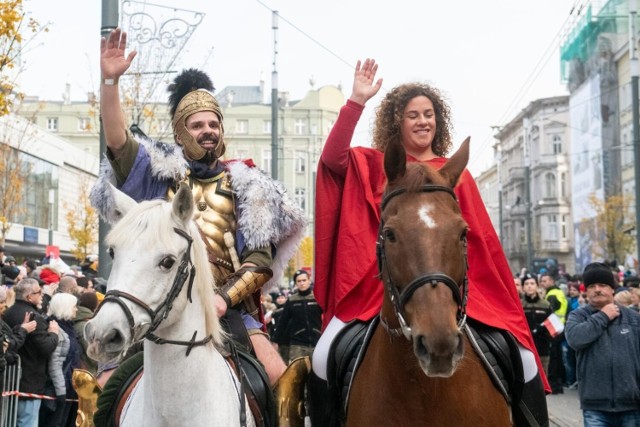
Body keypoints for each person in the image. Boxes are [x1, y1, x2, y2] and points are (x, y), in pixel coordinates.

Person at [312, 58, 548, 426]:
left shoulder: (455, 174)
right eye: (412, 115)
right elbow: (332, 159)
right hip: (378, 289)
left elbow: (480, 244)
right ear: (397, 122)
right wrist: (356, 101)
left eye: (429, 113)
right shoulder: (375, 164)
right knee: (323, 356)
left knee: (525, 358)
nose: (423, 121)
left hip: (457, 289)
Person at [91, 28, 307, 423]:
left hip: (229, 312)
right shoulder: (158, 176)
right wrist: (110, 82)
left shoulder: (247, 184)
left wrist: (224, 297)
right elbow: (120, 143)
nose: (208, 130)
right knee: (104, 390)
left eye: (213, 123)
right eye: (197, 125)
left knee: (279, 380)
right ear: (179, 132)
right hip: (161, 305)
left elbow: (260, 259)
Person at [565, 262, 640, 426]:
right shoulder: (577, 317)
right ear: (586, 290)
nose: (597, 289)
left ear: (612, 288)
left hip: (631, 405)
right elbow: (575, 340)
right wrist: (603, 316)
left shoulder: (633, 318)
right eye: (592, 286)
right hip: (595, 406)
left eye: (603, 285)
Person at [4, 278, 59, 427]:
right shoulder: (34, 318)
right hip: (30, 381)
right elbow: (46, 348)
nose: (41, 295)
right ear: (29, 296)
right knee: (27, 422)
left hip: (10, 380)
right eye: (39, 292)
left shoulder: (8, 313)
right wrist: (54, 334)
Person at [41, 293, 81, 427]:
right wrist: (61, 392)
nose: (77, 310)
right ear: (66, 308)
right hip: (58, 390)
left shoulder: (69, 328)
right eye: (74, 307)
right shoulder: (56, 329)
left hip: (69, 388)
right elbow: (54, 363)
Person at [271, 270, 322, 362]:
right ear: (295, 283)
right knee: (299, 374)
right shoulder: (291, 300)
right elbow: (283, 322)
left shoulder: (317, 297)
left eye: (304, 280)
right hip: (298, 344)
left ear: (309, 281)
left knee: (317, 373)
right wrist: (276, 341)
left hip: (318, 342)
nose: (302, 283)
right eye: (299, 281)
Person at [540, 272, 568, 394]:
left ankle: (555, 385)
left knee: (554, 359)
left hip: (554, 329)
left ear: (551, 281)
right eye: (542, 281)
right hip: (560, 327)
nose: (542, 283)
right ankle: (559, 384)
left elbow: (549, 312)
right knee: (558, 358)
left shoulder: (551, 294)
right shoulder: (559, 292)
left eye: (545, 281)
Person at [520, 273, 552, 375]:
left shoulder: (545, 305)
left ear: (537, 286)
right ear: (523, 287)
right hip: (525, 347)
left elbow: (552, 326)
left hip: (542, 348)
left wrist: (544, 332)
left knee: (542, 377)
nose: (529, 286)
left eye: (532, 283)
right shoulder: (519, 304)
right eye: (526, 283)